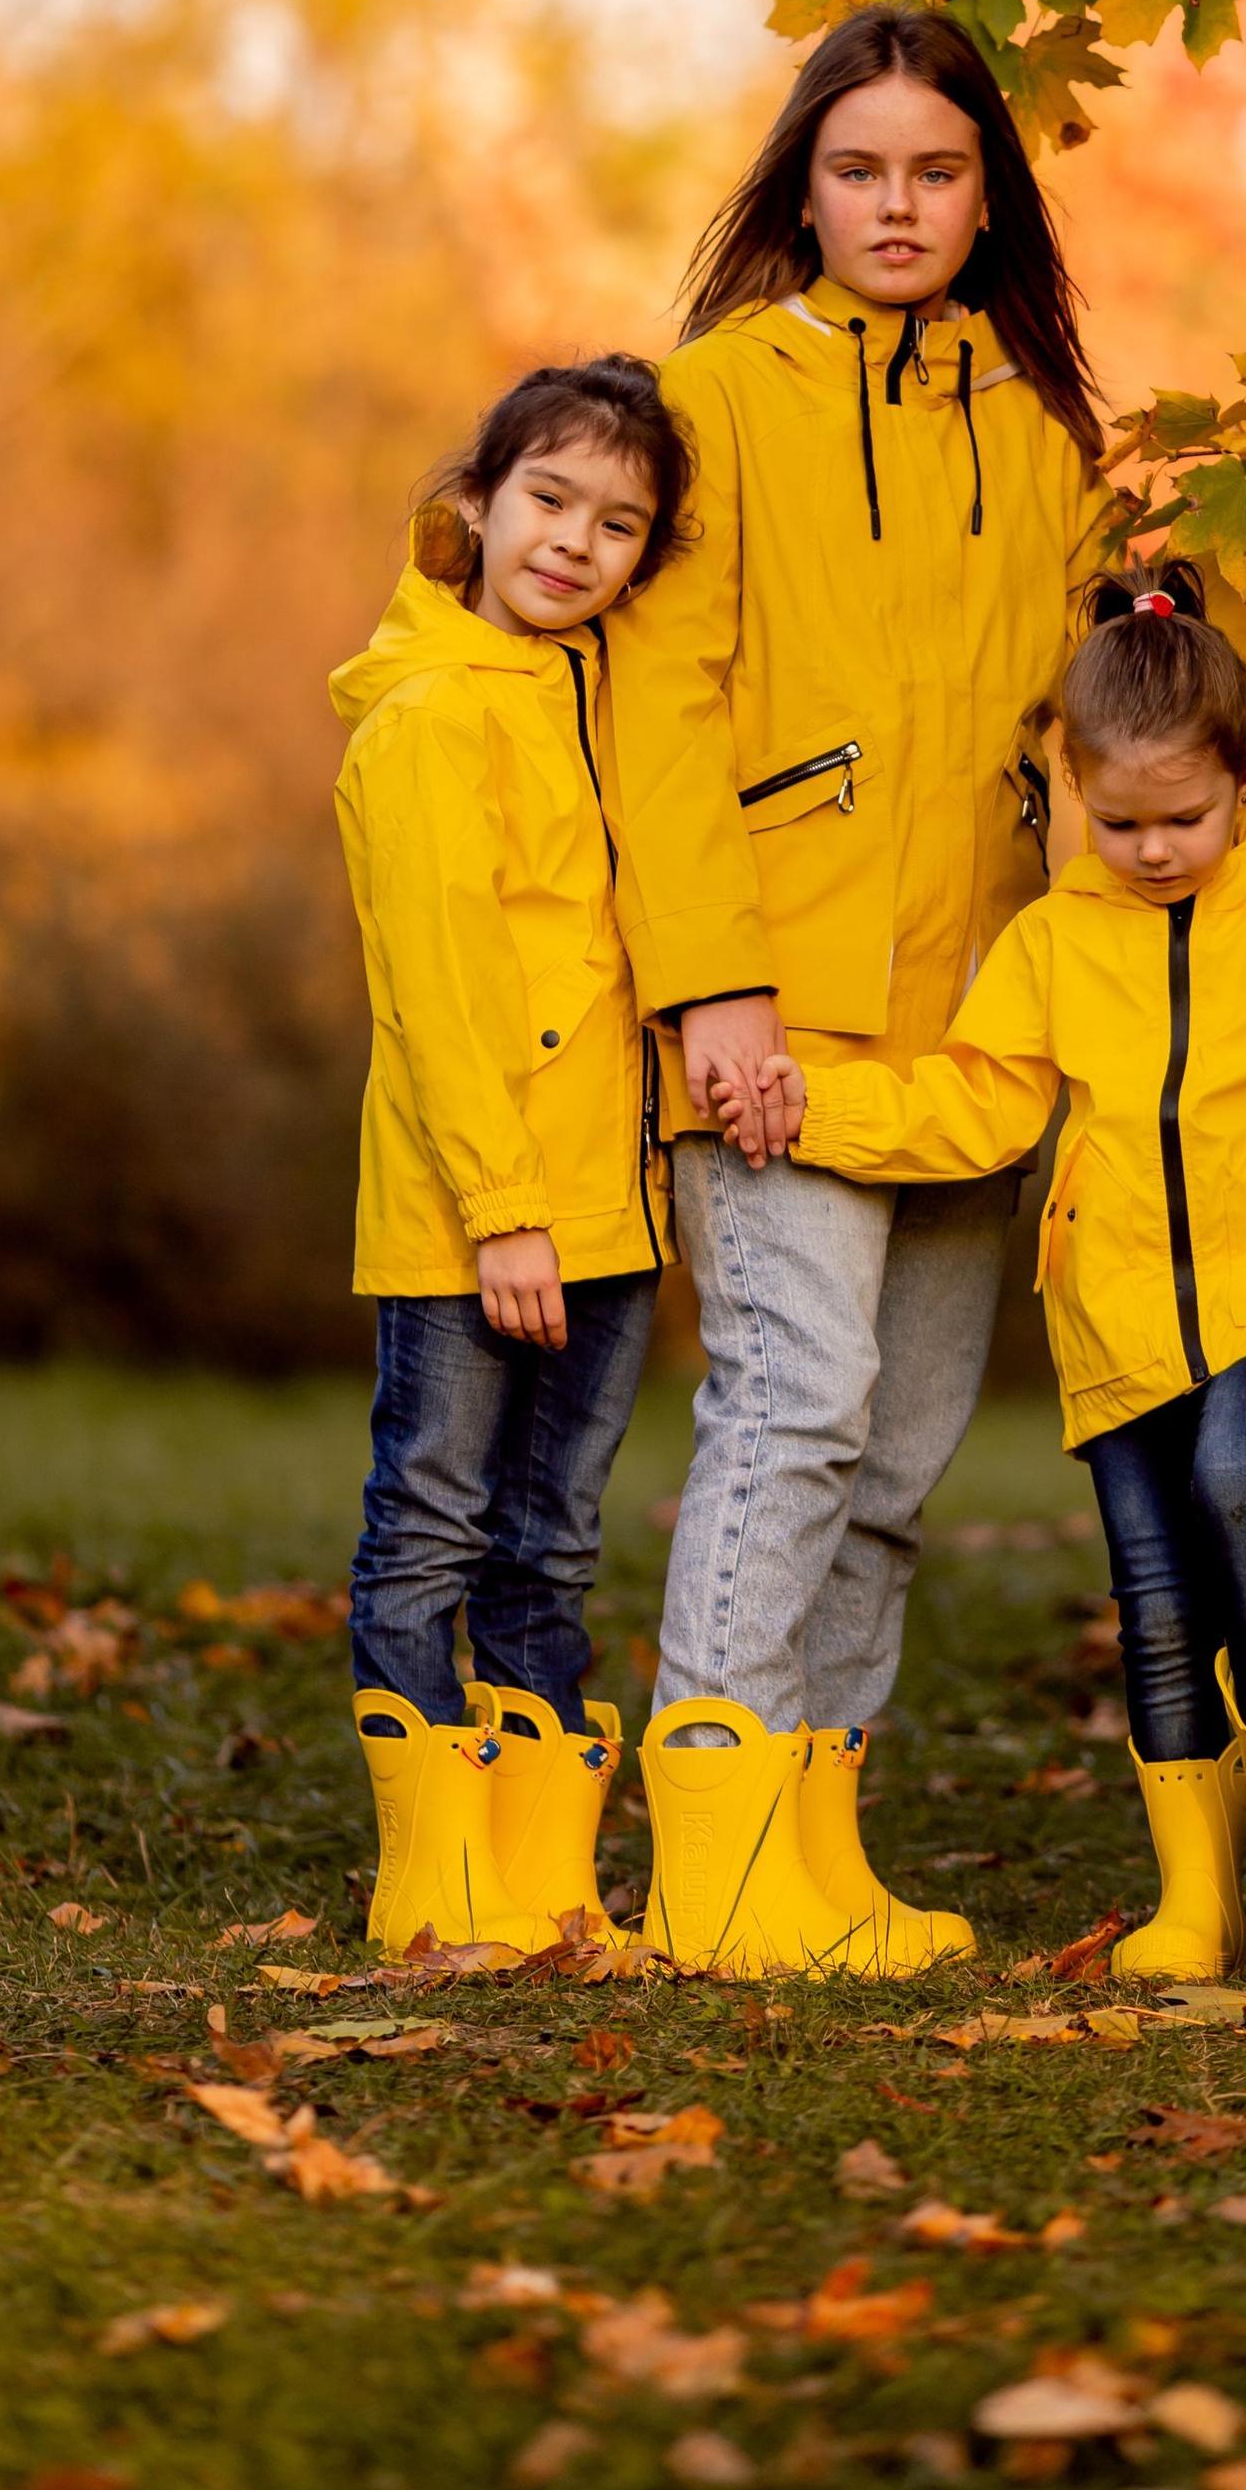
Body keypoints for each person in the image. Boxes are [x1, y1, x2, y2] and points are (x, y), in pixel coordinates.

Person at [606, 6, 1246, 1978]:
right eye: (858, 168)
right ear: (802, 185)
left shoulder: (1032, 425)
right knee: (790, 1408)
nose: (895, 204)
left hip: (984, 1028)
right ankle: (705, 1852)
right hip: (773, 1015)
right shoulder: (709, 403)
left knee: (885, 1467)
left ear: (986, 199)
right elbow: (658, 712)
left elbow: (1126, 681)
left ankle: (812, 1852)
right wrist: (708, 993)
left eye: (934, 172)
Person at [720, 578, 1246, 1980]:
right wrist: (811, 1106)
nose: (1148, 850)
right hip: (1114, 1310)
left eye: (1181, 821)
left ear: (1244, 773)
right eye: (1116, 822)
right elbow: (979, 1107)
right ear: (1070, 787)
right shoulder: (1051, 942)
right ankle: (1192, 1895)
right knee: (1152, 1596)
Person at [331, 355, 693, 1962]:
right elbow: (443, 989)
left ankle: (543, 1875)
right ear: (473, 506)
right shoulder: (424, 724)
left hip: (605, 1209)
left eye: (621, 525)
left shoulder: (603, 703)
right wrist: (502, 1214)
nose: (577, 543)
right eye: (549, 500)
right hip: (477, 1215)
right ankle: (431, 1877)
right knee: (432, 1520)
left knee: (554, 1538)